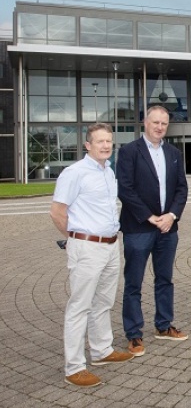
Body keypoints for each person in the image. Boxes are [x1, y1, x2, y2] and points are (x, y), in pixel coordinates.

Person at [51, 123, 133, 387]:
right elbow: (57, 211)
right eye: (100, 141)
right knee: (80, 307)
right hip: (87, 247)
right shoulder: (74, 173)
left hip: (110, 246)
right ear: (88, 145)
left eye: (109, 141)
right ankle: (74, 367)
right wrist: (75, 239)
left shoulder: (108, 171)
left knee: (103, 302)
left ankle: (102, 351)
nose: (106, 145)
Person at [117, 105, 189, 357]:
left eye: (164, 123)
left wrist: (171, 215)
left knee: (165, 279)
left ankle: (164, 325)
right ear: (145, 123)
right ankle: (134, 333)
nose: (159, 127)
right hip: (138, 227)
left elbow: (182, 188)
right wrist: (150, 217)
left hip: (168, 228)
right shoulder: (128, 152)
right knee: (134, 282)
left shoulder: (173, 152)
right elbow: (125, 189)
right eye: (155, 122)